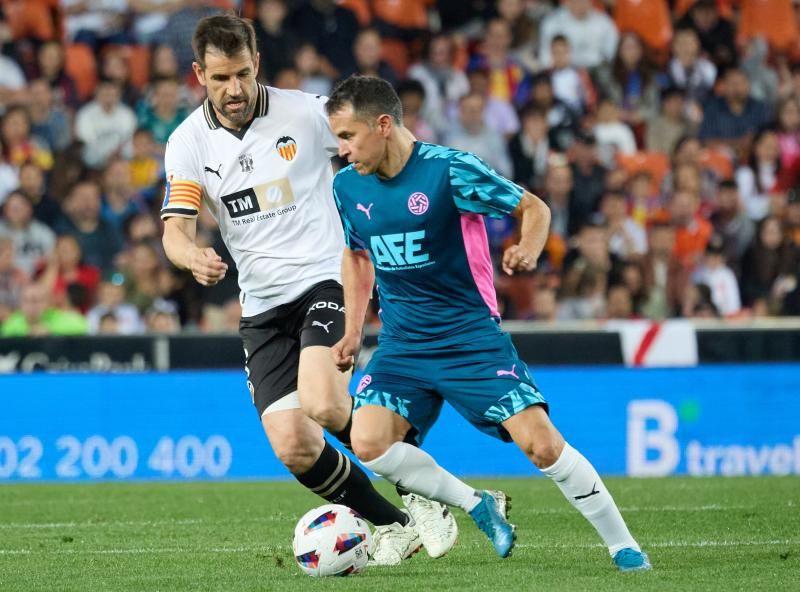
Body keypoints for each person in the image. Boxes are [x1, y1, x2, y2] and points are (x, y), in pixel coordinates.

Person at [158, 15, 454, 567]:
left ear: (257, 65)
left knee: (322, 400)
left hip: (326, 278)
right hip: (262, 307)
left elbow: (383, 147)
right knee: (293, 444)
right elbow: (176, 227)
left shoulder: (308, 113)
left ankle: (421, 490)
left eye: (243, 74)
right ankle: (399, 527)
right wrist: (191, 254)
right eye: (221, 77)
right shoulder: (186, 144)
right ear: (199, 74)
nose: (235, 89)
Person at [325, 75, 651, 571]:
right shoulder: (347, 187)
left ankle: (624, 547)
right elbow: (356, 257)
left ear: (384, 125)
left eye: (348, 136)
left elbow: (533, 208)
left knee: (542, 446)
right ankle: (477, 503)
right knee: (367, 441)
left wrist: (528, 247)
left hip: (470, 340)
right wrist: (352, 330)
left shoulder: (449, 170)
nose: (342, 149)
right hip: (404, 344)